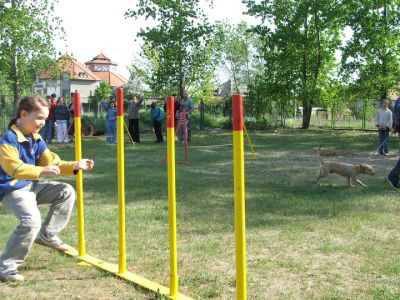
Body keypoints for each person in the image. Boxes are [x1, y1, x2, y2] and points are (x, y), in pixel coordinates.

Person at [0, 95, 94, 282]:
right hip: (12, 189)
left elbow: (53, 162)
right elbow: (15, 169)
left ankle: (47, 234)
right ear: (23, 114)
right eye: (39, 118)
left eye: (45, 118)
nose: (43, 123)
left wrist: (76, 165)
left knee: (65, 191)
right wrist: (41, 171)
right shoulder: (8, 139)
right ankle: (6, 267)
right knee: (31, 221)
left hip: (30, 186)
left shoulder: (36, 138)